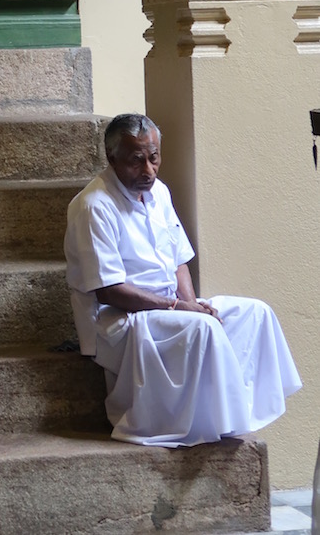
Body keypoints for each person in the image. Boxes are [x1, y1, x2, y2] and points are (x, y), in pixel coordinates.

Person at [64, 113, 301, 448]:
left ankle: (234, 416)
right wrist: (179, 307)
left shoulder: (159, 192)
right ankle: (213, 421)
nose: (148, 170)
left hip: (170, 308)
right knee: (204, 329)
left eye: (154, 157)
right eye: (136, 161)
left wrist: (193, 304)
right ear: (112, 158)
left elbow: (178, 261)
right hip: (119, 321)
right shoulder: (93, 207)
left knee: (255, 313)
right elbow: (109, 289)